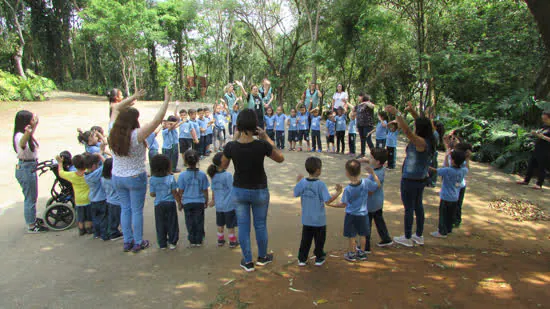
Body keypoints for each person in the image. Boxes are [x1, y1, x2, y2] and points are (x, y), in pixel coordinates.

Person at [220, 108, 285, 272]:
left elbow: (222, 166)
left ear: (238, 125)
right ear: (255, 125)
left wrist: (233, 141)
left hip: (239, 190)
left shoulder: (231, 147)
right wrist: (266, 137)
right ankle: (262, 257)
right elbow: (280, 158)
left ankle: (248, 261)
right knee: (260, 224)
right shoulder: (262, 145)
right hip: (259, 189)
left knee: (243, 226)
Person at [108, 87, 171, 253]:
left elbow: (115, 108)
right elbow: (157, 121)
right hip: (135, 177)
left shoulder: (112, 131)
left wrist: (133, 97)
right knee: (136, 210)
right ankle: (138, 242)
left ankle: (127, 241)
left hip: (117, 177)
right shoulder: (137, 135)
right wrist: (166, 101)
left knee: (125, 208)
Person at [385, 104, 436, 248]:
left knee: (409, 208)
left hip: (411, 180)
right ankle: (418, 235)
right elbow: (420, 122)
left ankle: (407, 237)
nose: (414, 127)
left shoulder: (420, 142)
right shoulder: (430, 138)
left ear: (419, 129)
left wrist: (397, 113)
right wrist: (412, 111)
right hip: (419, 179)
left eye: (416, 126)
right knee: (418, 206)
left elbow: (407, 131)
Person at [327, 160, 380, 262]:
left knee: (351, 235)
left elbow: (343, 204)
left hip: (351, 214)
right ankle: (362, 253)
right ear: (359, 171)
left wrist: (331, 205)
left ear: (347, 173)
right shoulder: (366, 182)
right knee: (363, 234)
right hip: (363, 213)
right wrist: (373, 173)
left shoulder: (348, 189)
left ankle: (351, 253)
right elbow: (377, 185)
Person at [294, 157, 342, 267]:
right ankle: (319, 257)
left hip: (307, 219)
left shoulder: (302, 183)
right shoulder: (320, 185)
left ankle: (302, 258)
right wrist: (338, 192)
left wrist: (298, 181)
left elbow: (296, 193)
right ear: (318, 170)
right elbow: (328, 200)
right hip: (319, 219)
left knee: (305, 240)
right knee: (319, 240)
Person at [13, 110, 48, 233]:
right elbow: (22, 143)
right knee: (30, 198)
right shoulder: (19, 136)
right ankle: (31, 226)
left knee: (33, 196)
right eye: (31, 119)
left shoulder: (26, 133)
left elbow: (29, 135)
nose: (33, 121)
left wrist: (35, 125)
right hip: (26, 168)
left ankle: (31, 218)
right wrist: (29, 131)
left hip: (30, 166)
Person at [429, 150, 468, 239]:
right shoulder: (463, 171)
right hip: (455, 197)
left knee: (443, 215)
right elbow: (467, 167)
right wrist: (467, 158)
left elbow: (436, 170)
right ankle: (448, 229)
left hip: (446, 197)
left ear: (453, 160)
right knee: (451, 214)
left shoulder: (448, 170)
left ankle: (442, 232)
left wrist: (427, 166)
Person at [177, 150, 210, 247]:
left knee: (189, 221)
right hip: (199, 201)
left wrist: (179, 202)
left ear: (185, 161)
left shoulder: (182, 175)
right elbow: (205, 190)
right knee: (199, 220)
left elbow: (180, 191)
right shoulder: (202, 175)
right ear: (197, 160)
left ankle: (192, 239)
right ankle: (199, 239)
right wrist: (206, 201)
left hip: (187, 202)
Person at [363, 149, 393, 251]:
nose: (369, 159)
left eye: (371, 157)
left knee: (367, 224)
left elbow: (371, 191)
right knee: (379, 220)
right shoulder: (380, 167)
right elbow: (371, 161)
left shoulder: (376, 174)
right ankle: (386, 238)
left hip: (371, 203)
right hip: (378, 202)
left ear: (378, 162)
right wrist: (362, 160)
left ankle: (365, 247)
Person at [207, 153, 239, 248]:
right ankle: (232, 241)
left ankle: (220, 240)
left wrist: (213, 200)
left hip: (219, 206)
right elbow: (233, 189)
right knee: (230, 225)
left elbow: (213, 189)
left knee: (220, 224)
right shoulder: (227, 175)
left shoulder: (213, 175)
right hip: (228, 205)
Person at [150, 154, 180, 250]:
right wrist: (179, 202)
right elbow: (174, 192)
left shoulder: (152, 179)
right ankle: (173, 242)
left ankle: (162, 243)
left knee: (160, 223)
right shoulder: (171, 178)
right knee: (172, 222)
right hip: (170, 203)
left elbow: (152, 194)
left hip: (158, 204)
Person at [57, 154, 91, 235]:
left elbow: (61, 173)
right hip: (89, 198)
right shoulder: (88, 173)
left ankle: (81, 229)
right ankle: (89, 228)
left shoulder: (72, 175)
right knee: (89, 216)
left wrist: (60, 163)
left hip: (78, 200)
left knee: (80, 216)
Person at [517, 110, 550, 190]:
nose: (544, 120)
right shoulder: (544, 126)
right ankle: (526, 180)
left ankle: (539, 184)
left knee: (541, 167)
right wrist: (535, 133)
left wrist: (542, 137)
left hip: (546, 150)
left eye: (545, 119)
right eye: (543, 118)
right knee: (531, 164)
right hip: (538, 148)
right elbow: (539, 133)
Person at [101, 158, 123, 241]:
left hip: (109, 200)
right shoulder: (114, 179)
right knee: (117, 218)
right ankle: (113, 233)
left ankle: (112, 231)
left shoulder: (103, 178)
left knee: (112, 218)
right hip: (117, 201)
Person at [452, 142, 472, 228]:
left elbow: (466, 169)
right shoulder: (459, 158)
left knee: (457, 204)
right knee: (456, 204)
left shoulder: (461, 160)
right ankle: (455, 219)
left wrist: (467, 158)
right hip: (460, 185)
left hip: (458, 186)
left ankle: (456, 220)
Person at [355, 93, 376, 158]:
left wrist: (366, 102)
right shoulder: (359, 105)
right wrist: (346, 102)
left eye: (359, 96)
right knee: (362, 139)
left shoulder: (368, 104)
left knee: (368, 139)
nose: (358, 98)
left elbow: (373, 106)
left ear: (363, 97)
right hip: (360, 124)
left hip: (367, 124)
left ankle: (374, 154)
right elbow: (353, 108)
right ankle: (362, 153)